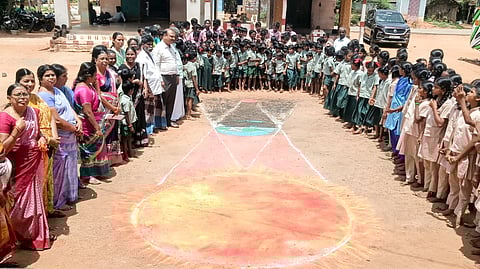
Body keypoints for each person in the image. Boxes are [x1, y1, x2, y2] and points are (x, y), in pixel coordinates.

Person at [0, 83, 53, 250]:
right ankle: (16, 235)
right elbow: (2, 149)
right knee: (15, 201)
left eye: (25, 94)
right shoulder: (5, 117)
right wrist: (17, 131)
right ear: (9, 98)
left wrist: (42, 138)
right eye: (18, 95)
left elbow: (37, 134)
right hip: (16, 165)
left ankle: (33, 235)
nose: (23, 97)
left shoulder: (33, 112)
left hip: (34, 161)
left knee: (34, 199)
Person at [16, 68, 61, 218]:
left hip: (48, 145)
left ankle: (47, 212)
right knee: (33, 186)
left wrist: (54, 137)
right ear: (18, 83)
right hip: (32, 148)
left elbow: (50, 116)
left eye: (32, 81)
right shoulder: (19, 103)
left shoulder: (36, 98)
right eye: (25, 81)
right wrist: (48, 139)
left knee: (46, 180)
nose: (29, 84)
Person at [36, 65, 81, 211]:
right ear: (40, 79)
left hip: (71, 134)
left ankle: (69, 195)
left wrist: (78, 121)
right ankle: (58, 201)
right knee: (59, 169)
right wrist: (74, 128)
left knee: (70, 165)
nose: (51, 78)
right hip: (61, 136)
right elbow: (56, 120)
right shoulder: (44, 95)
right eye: (47, 76)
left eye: (53, 75)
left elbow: (69, 108)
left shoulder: (56, 90)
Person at [74, 62, 111, 185]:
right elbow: (87, 111)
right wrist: (97, 128)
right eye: (95, 75)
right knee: (88, 151)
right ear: (88, 76)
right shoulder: (83, 89)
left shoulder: (88, 85)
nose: (96, 78)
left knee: (94, 150)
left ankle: (95, 172)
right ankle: (87, 176)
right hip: (87, 125)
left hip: (93, 121)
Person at [93, 45, 123, 166]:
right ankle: (102, 161)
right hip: (102, 109)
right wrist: (112, 107)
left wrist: (117, 105)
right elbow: (98, 94)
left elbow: (117, 89)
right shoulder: (95, 75)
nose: (105, 61)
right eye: (102, 59)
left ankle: (112, 158)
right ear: (95, 60)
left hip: (113, 108)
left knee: (113, 133)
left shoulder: (111, 73)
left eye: (106, 58)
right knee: (103, 133)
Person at [118, 46, 149, 147]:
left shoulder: (139, 66)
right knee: (129, 116)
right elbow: (120, 83)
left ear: (136, 55)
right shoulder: (122, 68)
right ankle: (129, 142)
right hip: (127, 96)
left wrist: (145, 89)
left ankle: (139, 139)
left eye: (132, 54)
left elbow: (144, 78)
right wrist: (133, 82)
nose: (130, 56)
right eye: (128, 54)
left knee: (139, 116)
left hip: (138, 94)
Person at [136, 35, 166, 133]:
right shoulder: (141, 57)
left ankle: (157, 125)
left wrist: (161, 80)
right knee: (148, 109)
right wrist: (147, 89)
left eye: (151, 44)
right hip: (149, 86)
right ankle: (148, 129)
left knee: (157, 107)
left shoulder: (151, 54)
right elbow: (143, 75)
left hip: (156, 85)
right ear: (143, 45)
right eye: (148, 44)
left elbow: (156, 69)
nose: (150, 46)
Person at [151, 28, 180, 128]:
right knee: (162, 101)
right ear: (164, 36)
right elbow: (156, 65)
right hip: (164, 77)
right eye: (171, 36)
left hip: (173, 77)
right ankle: (160, 123)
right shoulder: (158, 48)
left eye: (174, 36)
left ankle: (168, 120)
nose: (173, 38)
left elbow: (175, 62)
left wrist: (177, 75)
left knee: (171, 100)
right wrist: (160, 79)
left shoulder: (172, 48)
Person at [119, 80, 137, 162]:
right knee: (125, 139)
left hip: (130, 122)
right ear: (130, 91)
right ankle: (125, 154)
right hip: (126, 123)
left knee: (129, 138)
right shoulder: (125, 101)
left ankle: (130, 152)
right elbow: (126, 114)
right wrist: (130, 125)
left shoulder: (127, 98)